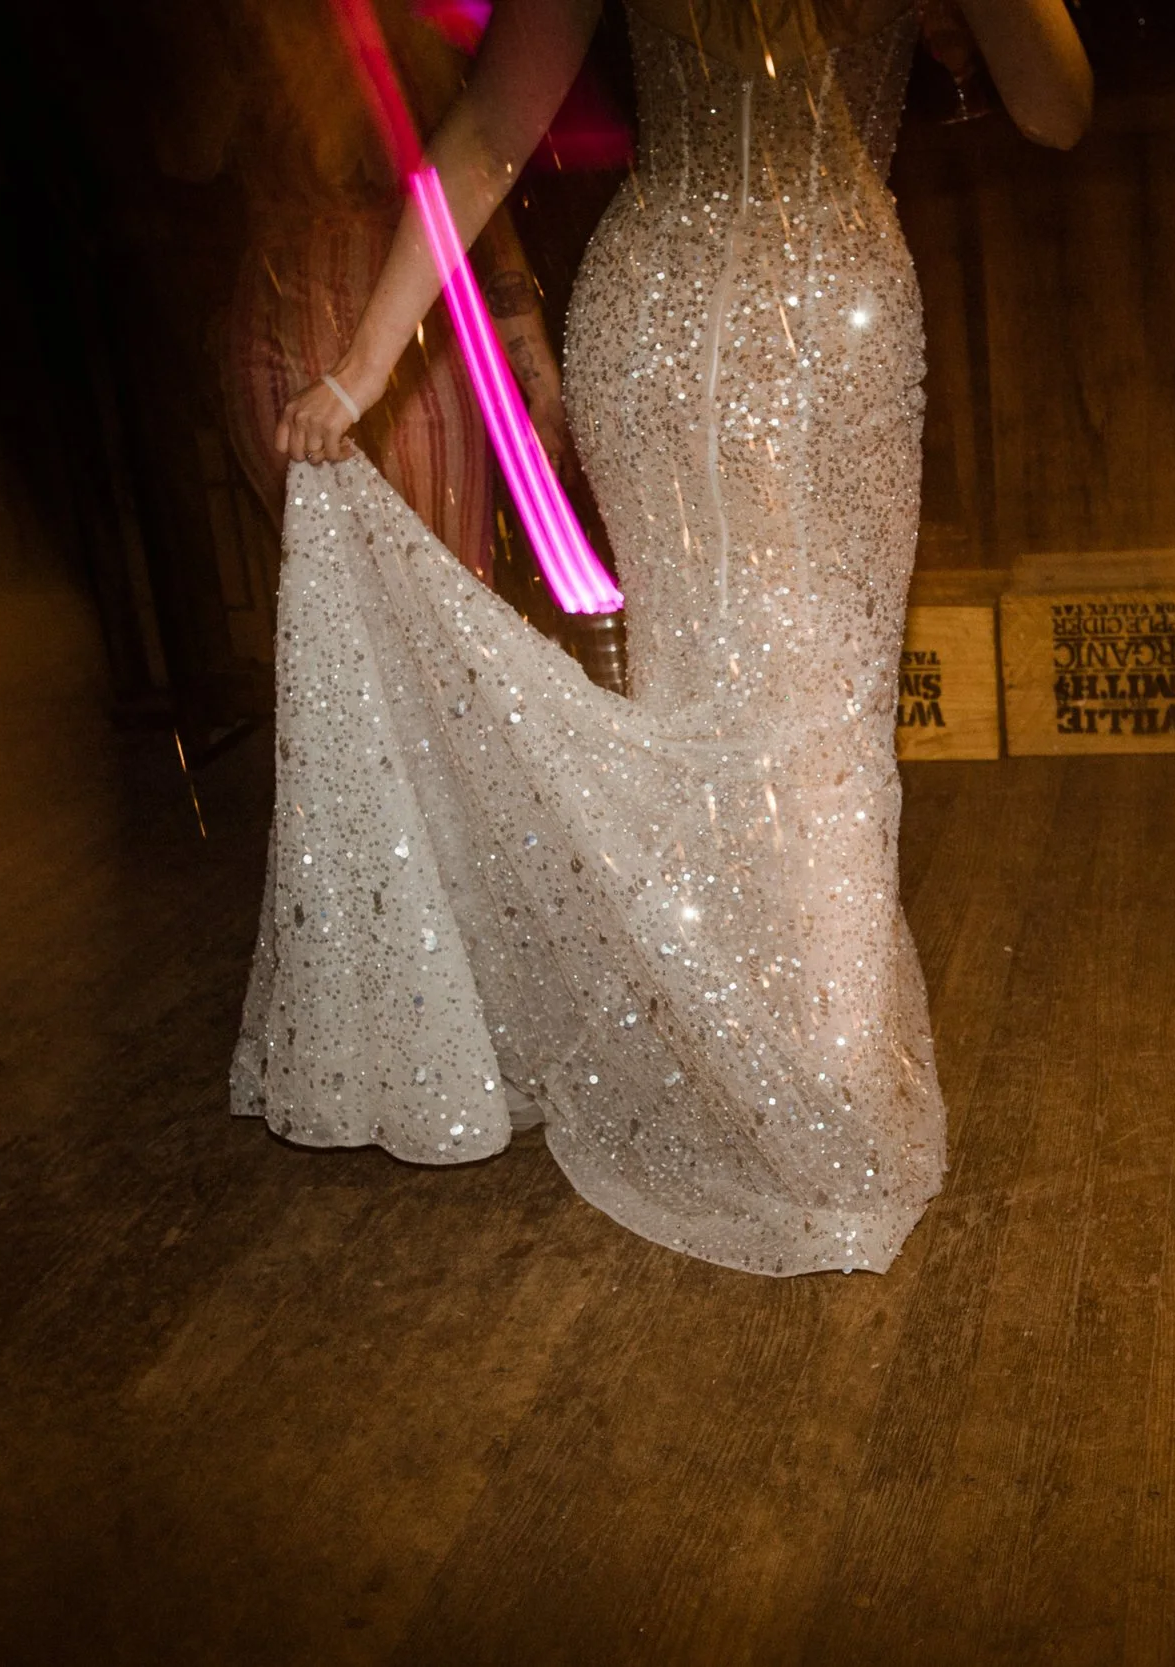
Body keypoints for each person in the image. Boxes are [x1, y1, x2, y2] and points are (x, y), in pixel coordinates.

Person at [233, 0, 1089, 1275]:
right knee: (806, 729)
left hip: (703, 321)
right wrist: (358, 372)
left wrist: (365, 369)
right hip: (802, 315)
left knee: (773, 721)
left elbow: (484, 134)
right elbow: (1057, 105)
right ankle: (811, 1099)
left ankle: (789, 1077)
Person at [210, 0, 575, 584]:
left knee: (433, 595)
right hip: (291, 337)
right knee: (350, 603)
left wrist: (541, 387)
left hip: (407, 347)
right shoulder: (251, 39)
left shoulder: (416, 41)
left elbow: (479, 202)